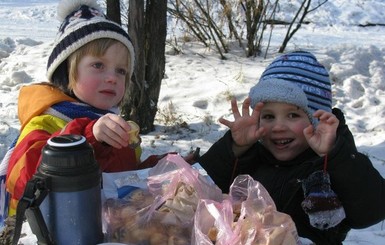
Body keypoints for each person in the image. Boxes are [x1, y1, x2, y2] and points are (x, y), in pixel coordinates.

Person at [198, 51, 385, 244]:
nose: (278, 127)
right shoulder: (251, 158)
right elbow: (202, 189)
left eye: (293, 116)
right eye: (269, 116)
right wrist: (236, 148)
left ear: (317, 120)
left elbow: (371, 212)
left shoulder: (330, 165)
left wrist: (335, 154)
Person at [2, 0, 158, 218]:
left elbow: (121, 177)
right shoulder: (45, 121)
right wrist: (87, 136)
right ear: (67, 73)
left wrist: (159, 168)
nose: (112, 77)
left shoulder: (112, 122)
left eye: (121, 70)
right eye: (98, 65)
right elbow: (24, 180)